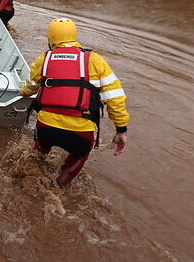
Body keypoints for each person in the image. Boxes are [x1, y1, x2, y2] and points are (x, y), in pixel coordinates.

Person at [20, 18, 129, 187]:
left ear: (51, 39)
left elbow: (30, 88)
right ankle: (60, 185)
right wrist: (121, 129)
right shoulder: (95, 60)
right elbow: (115, 98)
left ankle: (27, 177)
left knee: (39, 150)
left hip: (46, 127)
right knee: (79, 156)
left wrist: (22, 91)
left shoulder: (44, 59)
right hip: (80, 133)